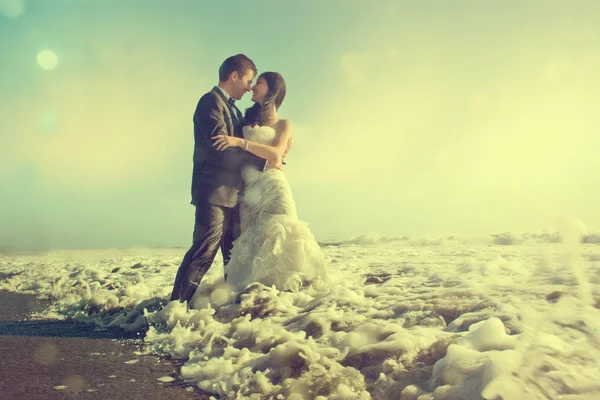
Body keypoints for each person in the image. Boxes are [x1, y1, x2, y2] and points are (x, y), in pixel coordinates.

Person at [170, 55, 287, 303]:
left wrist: (276, 152)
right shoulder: (210, 102)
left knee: (233, 257)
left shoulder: (234, 110)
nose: (249, 87)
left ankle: (230, 308)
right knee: (204, 250)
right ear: (234, 76)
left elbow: (257, 142)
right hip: (215, 192)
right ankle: (174, 308)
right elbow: (219, 147)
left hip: (237, 195)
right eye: (247, 80)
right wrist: (264, 162)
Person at [212, 72, 329, 293]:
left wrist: (241, 143)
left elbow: (275, 152)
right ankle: (260, 300)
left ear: (273, 90)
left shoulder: (284, 124)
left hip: (274, 187)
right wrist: (272, 155)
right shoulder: (244, 120)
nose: (253, 87)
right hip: (250, 191)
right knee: (255, 243)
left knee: (285, 237)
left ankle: (294, 298)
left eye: (260, 83)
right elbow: (268, 155)